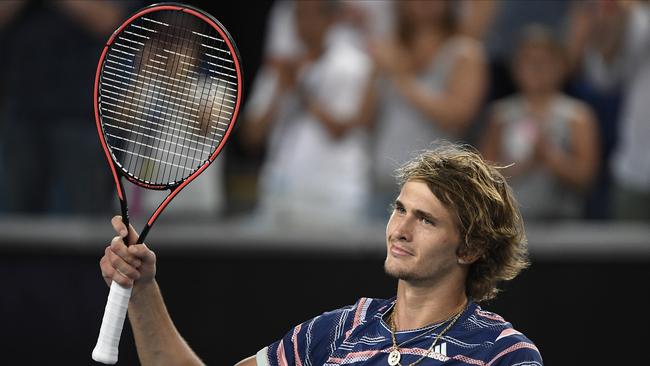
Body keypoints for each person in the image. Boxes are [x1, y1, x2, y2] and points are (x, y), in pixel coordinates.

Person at [99, 143, 543, 366]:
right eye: (400, 210)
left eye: (426, 220)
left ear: (472, 247)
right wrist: (143, 290)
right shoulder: (337, 331)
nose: (401, 230)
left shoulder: (503, 353)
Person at [366, 0, 487, 219]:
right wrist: (374, 72)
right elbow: (364, 120)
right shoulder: (391, 50)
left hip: (435, 187)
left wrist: (402, 78)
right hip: (382, 181)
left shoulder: (464, 52)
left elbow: (458, 116)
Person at [481, 25, 599, 220]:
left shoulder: (578, 116)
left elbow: (586, 177)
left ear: (561, 66)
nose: (536, 68)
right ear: (515, 67)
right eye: (528, 60)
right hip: (510, 221)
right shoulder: (500, 115)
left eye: (544, 61)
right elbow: (484, 175)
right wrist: (525, 163)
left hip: (563, 219)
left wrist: (550, 156)